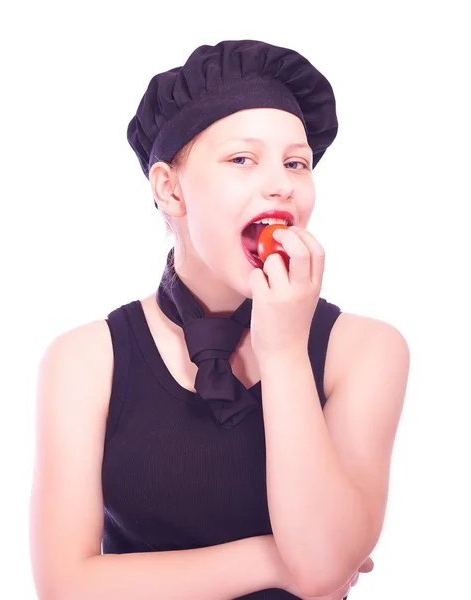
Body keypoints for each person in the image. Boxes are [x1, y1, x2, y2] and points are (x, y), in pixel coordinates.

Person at [30, 40, 410, 600]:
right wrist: (272, 558)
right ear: (170, 188)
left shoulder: (367, 350)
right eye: (242, 159)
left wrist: (282, 352)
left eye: (296, 162)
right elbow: (66, 586)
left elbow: (325, 563)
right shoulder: (85, 361)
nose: (281, 183)